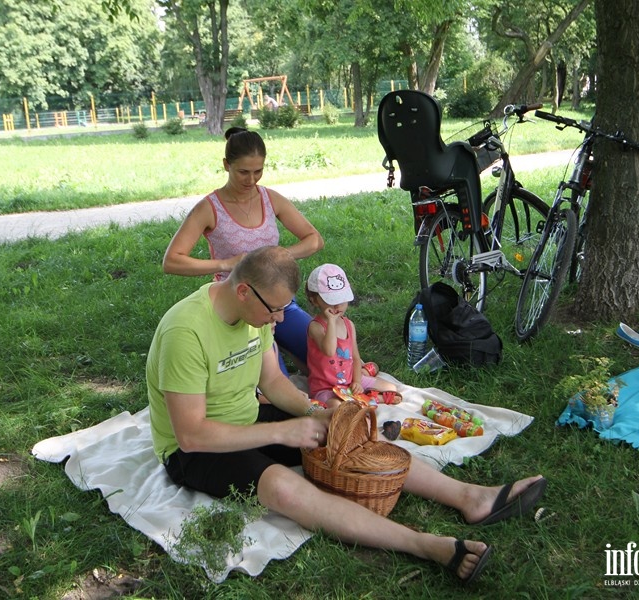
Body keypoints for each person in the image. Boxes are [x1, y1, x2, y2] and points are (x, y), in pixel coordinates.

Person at [147, 246, 548, 585]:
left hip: (249, 420)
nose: (281, 320)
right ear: (242, 291)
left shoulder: (257, 315)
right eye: (275, 310)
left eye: (286, 308)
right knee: (284, 488)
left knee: (350, 437)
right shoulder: (186, 332)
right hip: (196, 452)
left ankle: (470, 496)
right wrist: (287, 432)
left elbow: (272, 383)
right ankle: (423, 544)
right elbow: (191, 435)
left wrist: (318, 413)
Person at [162, 127, 323, 373]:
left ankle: (293, 352)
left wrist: (276, 257)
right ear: (227, 165)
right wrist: (226, 264)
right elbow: (172, 261)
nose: (251, 180)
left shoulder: (271, 199)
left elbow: (314, 239)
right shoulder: (209, 208)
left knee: (328, 356)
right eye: (243, 172)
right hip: (240, 308)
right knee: (274, 385)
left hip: (280, 304)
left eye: (258, 171)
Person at [305, 263, 399, 408]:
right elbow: (329, 351)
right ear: (314, 300)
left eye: (341, 300)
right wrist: (331, 321)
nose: (337, 306)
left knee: (392, 388)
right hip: (326, 387)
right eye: (331, 301)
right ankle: (367, 399)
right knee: (338, 406)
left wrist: (357, 382)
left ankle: (365, 396)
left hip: (349, 381)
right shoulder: (316, 326)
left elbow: (355, 357)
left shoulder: (349, 325)